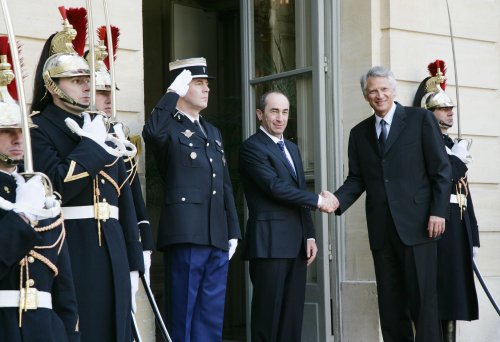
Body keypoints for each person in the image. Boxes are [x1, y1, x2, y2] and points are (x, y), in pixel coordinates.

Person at [29, 8, 143, 341]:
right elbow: (59, 187)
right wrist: (92, 147)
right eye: (76, 81)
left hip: (114, 246)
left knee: (117, 330)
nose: (86, 88)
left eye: (87, 81)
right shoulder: (37, 130)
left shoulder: (98, 127)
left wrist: (136, 257)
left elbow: (124, 198)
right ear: (53, 85)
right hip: (73, 246)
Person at [329, 66, 451, 341]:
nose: (379, 95)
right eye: (373, 91)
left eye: (384, 89)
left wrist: (437, 212)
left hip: (420, 227)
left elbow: (441, 171)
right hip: (382, 232)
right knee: (391, 307)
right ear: (365, 96)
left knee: (424, 305)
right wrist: (336, 200)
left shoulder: (420, 120)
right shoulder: (359, 133)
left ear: (393, 91)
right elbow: (357, 179)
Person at [143, 57, 241, 342]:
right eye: (199, 83)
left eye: (206, 83)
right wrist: (171, 95)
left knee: (211, 316)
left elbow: (224, 185)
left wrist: (232, 229)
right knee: (183, 315)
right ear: (182, 86)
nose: (206, 89)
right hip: (186, 232)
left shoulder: (211, 132)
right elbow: (151, 132)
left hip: (216, 233)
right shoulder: (168, 127)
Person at [0, 42, 79, 341]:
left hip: (46, 330)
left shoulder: (40, 193)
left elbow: (65, 290)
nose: (18, 138)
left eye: (21, 130)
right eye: (7, 131)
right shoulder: (27, 202)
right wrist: (21, 216)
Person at [239, 90, 333, 341]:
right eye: (273, 111)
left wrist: (310, 235)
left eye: (285, 112)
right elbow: (275, 188)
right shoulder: (251, 148)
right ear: (260, 114)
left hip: (296, 245)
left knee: (291, 321)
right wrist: (318, 201)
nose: (280, 118)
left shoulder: (291, 147)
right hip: (269, 244)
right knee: (267, 321)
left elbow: (297, 190)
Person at [413, 60, 479, 341]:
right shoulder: (426, 144)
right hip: (439, 227)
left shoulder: (452, 145)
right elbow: (447, 176)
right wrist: (458, 160)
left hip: (458, 227)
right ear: (429, 113)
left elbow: (465, 192)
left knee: (455, 296)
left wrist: (473, 235)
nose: (450, 113)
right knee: (439, 296)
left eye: (451, 108)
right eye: (443, 108)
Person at [92, 26, 154, 284]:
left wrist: (144, 240)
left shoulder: (119, 132)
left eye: (111, 93)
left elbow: (132, 193)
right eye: (101, 92)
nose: (109, 100)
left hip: (124, 235)